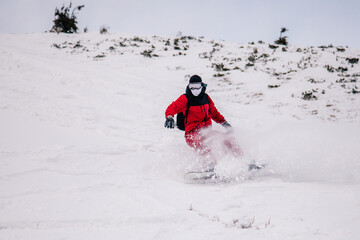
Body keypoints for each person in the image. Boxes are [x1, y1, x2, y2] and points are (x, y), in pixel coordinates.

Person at [164, 75, 243, 164]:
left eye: (197, 87)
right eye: (192, 87)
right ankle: (209, 166)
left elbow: (214, 113)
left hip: (207, 132)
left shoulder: (206, 98)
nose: (195, 90)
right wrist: (169, 117)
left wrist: (225, 124)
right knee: (202, 144)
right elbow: (173, 107)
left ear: (202, 86)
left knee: (228, 139)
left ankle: (242, 160)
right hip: (192, 134)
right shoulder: (185, 98)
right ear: (189, 87)